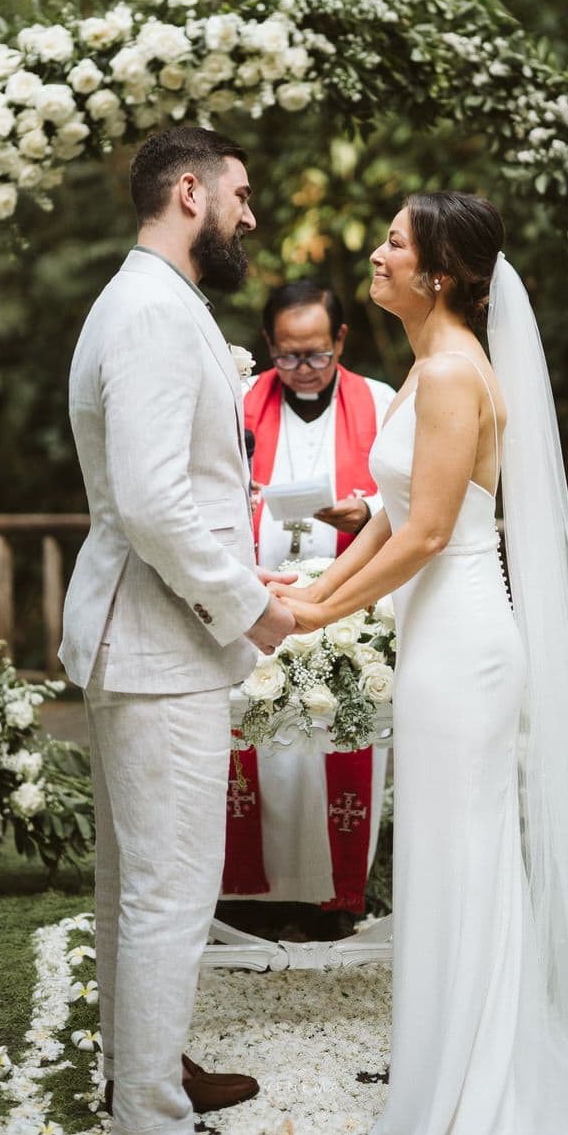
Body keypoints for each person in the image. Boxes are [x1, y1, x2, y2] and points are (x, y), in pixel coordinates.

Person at [271, 192, 568, 1135]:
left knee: (463, 862)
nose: (375, 254)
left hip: (463, 642)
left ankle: (475, 1101)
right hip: (435, 640)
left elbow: (428, 534)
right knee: (443, 864)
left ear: (437, 272)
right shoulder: (424, 369)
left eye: (394, 244)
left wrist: (318, 615)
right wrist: (309, 587)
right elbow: (385, 515)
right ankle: (440, 1079)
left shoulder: (454, 374)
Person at [59, 126, 296, 1135]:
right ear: (190, 192)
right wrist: (248, 604)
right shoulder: (153, 311)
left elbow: (178, 490)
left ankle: (139, 1069)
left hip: (146, 638)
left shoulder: (148, 299)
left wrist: (246, 579)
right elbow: (155, 502)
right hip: (159, 647)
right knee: (168, 890)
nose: (250, 214)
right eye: (240, 194)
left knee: (135, 883)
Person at [221, 281, 394, 918]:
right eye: (288, 355)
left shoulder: (378, 402)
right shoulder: (238, 402)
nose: (301, 370)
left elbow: (408, 498)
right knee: (259, 751)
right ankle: (251, 899)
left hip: (348, 605)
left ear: (340, 341)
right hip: (256, 605)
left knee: (338, 745)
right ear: (269, 343)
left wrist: (365, 510)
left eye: (316, 355)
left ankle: (335, 895)